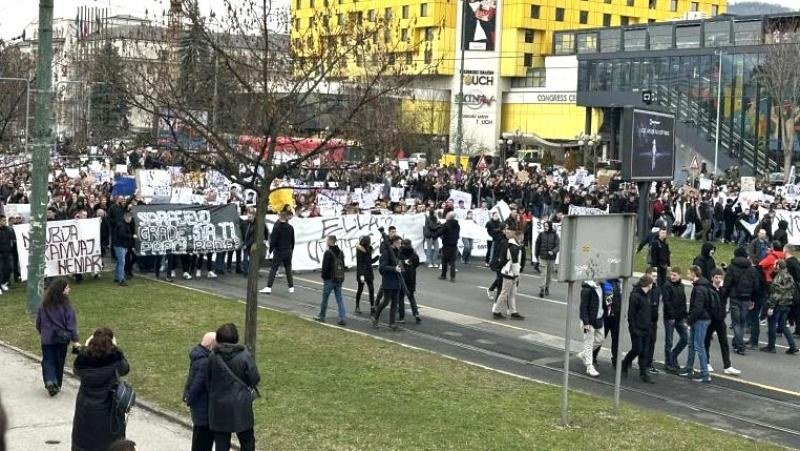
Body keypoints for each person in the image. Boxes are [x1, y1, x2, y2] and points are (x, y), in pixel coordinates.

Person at [72, 328, 131, 451]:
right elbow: (125, 369)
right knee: (110, 443)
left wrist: (85, 347)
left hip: (86, 409)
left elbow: (76, 371)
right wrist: (116, 349)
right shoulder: (115, 358)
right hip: (109, 410)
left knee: (85, 441)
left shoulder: (83, 360)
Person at [207, 323, 260, 451]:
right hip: (241, 404)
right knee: (247, 440)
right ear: (236, 338)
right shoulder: (244, 356)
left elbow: (208, 380)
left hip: (219, 405)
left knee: (221, 442)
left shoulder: (213, 356)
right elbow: (254, 378)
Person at [35, 278, 80, 396]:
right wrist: (75, 340)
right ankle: (57, 384)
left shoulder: (44, 305)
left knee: (48, 360)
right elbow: (71, 324)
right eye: (67, 287)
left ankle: (50, 380)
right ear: (62, 290)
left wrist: (43, 332)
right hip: (62, 339)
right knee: (59, 361)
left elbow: (38, 323)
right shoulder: (66, 305)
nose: (69, 289)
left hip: (47, 339)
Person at [721, 247, 760, 355]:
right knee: (742, 323)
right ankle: (738, 343)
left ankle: (739, 345)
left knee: (736, 323)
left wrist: (723, 296)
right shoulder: (752, 269)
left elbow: (727, 283)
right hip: (747, 298)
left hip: (735, 297)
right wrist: (753, 299)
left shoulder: (732, 267)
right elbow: (756, 286)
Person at [679, 266, 713, 383]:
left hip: (700, 320)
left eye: (689, 273)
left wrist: (689, 321)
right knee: (692, 345)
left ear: (694, 273)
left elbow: (697, 308)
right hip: (701, 319)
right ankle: (689, 368)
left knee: (698, 346)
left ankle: (704, 374)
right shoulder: (703, 285)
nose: (687, 276)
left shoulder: (699, 289)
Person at [184, 332, 217, 451]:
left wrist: (187, 396)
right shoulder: (206, 361)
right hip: (204, 411)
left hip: (198, 409)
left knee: (198, 440)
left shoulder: (197, 356)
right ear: (211, 345)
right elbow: (197, 384)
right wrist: (190, 398)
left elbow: (190, 380)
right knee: (203, 443)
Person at [706, 268, 740, 375]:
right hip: (710, 320)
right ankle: (706, 362)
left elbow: (724, 300)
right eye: (716, 277)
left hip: (720, 320)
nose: (718, 279)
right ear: (712, 278)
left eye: (720, 277)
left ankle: (727, 366)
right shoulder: (708, 290)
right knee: (706, 341)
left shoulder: (722, 290)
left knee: (724, 343)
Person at [621, 275, 654, 384]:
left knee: (644, 351)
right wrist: (634, 328)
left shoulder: (648, 294)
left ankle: (643, 373)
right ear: (648, 284)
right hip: (637, 328)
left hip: (646, 328)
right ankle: (625, 363)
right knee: (637, 349)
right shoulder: (635, 296)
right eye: (651, 283)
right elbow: (631, 314)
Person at [762, 260, 799, 354]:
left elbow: (776, 293)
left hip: (778, 304)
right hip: (787, 304)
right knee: (783, 326)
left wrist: (771, 306)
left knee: (772, 324)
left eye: (775, 265)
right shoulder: (789, 276)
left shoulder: (779, 277)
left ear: (778, 266)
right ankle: (792, 345)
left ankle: (771, 346)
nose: (774, 266)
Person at [491, 228, 524, 320]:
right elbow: (514, 262)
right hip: (509, 273)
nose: (523, 237)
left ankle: (513, 312)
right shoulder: (514, 246)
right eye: (522, 236)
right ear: (518, 236)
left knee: (511, 293)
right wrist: (517, 275)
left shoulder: (514, 245)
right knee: (505, 293)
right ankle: (496, 311)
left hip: (509, 272)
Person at [373, 234, 403, 330]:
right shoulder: (386, 253)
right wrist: (394, 269)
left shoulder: (398, 252)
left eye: (400, 243)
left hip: (396, 280)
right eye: (398, 243)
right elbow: (382, 267)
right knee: (385, 302)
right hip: (388, 281)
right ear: (393, 243)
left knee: (394, 303)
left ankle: (392, 323)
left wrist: (403, 267)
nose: (400, 245)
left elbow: (399, 264)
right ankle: (375, 318)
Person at [661, 267, 688, 373]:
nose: (672, 277)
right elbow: (667, 302)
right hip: (670, 318)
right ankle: (668, 363)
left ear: (679, 276)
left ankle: (673, 355)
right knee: (669, 341)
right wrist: (671, 316)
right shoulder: (666, 286)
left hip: (680, 317)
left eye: (675, 275)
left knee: (685, 338)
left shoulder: (681, 286)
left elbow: (683, 301)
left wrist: (685, 315)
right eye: (671, 275)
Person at [316, 235, 347, 326]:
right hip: (339, 279)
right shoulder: (340, 252)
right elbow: (343, 266)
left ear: (330, 241)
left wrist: (324, 277)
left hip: (329, 279)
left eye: (327, 240)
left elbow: (325, 267)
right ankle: (342, 317)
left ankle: (322, 316)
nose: (326, 241)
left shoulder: (328, 252)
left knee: (325, 299)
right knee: (339, 299)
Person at [261, 209, 293, 294]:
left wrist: (270, 251)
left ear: (279, 216)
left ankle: (269, 287)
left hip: (279, 251)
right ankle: (291, 287)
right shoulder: (290, 227)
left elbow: (273, 241)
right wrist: (291, 250)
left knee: (273, 269)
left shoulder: (277, 227)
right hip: (288, 251)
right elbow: (292, 240)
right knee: (288, 268)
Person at [578, 278, 604, 377]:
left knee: (600, 339)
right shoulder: (587, 289)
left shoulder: (601, 287)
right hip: (588, 321)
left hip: (598, 319)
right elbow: (583, 307)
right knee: (588, 343)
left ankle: (584, 354)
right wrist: (586, 322)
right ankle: (589, 366)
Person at [592, 279, 621, 368]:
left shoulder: (618, 283)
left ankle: (615, 360)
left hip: (616, 315)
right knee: (600, 338)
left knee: (616, 339)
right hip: (606, 316)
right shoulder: (604, 283)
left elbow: (620, 299)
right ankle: (592, 357)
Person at [398, 238, 421, 324]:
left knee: (400, 297)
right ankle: (416, 314)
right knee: (411, 296)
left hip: (403, 276)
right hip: (411, 276)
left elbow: (398, 262)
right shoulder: (413, 253)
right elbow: (417, 264)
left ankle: (401, 317)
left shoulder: (400, 252)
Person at [534, 220, 559, 297]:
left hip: (551, 258)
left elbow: (558, 246)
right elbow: (537, 245)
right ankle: (542, 289)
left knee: (549, 275)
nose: (545, 228)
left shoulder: (555, 235)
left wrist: (553, 251)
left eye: (547, 226)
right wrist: (536, 255)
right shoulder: (541, 234)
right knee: (543, 274)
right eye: (544, 226)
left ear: (550, 226)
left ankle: (547, 287)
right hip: (543, 257)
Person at [355, 235, 378, 315]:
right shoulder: (359, 250)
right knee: (360, 289)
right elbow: (360, 263)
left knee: (371, 289)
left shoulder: (369, 249)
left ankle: (372, 307)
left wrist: (377, 258)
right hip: (362, 272)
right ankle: (357, 306)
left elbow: (369, 261)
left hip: (368, 271)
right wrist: (361, 275)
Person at [113, 211, 135, 287]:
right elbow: (121, 235)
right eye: (130, 218)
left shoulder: (122, 224)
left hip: (121, 246)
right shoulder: (122, 225)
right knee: (122, 263)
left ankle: (117, 277)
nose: (131, 219)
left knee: (120, 262)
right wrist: (132, 236)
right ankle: (121, 280)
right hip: (120, 246)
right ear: (127, 218)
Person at [437, 211, 460, 282]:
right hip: (454, 245)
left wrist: (438, 229)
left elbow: (440, 232)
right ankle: (452, 277)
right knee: (453, 262)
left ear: (448, 217)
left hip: (446, 245)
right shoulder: (457, 225)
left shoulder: (446, 224)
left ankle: (443, 275)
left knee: (444, 260)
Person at [0, 215, 15, 292]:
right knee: (0, 270)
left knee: (9, 269)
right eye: (3, 220)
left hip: (8, 252)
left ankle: (3, 283)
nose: (5, 222)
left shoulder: (8, 230)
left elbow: (13, 238)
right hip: (0, 253)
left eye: (5, 220)